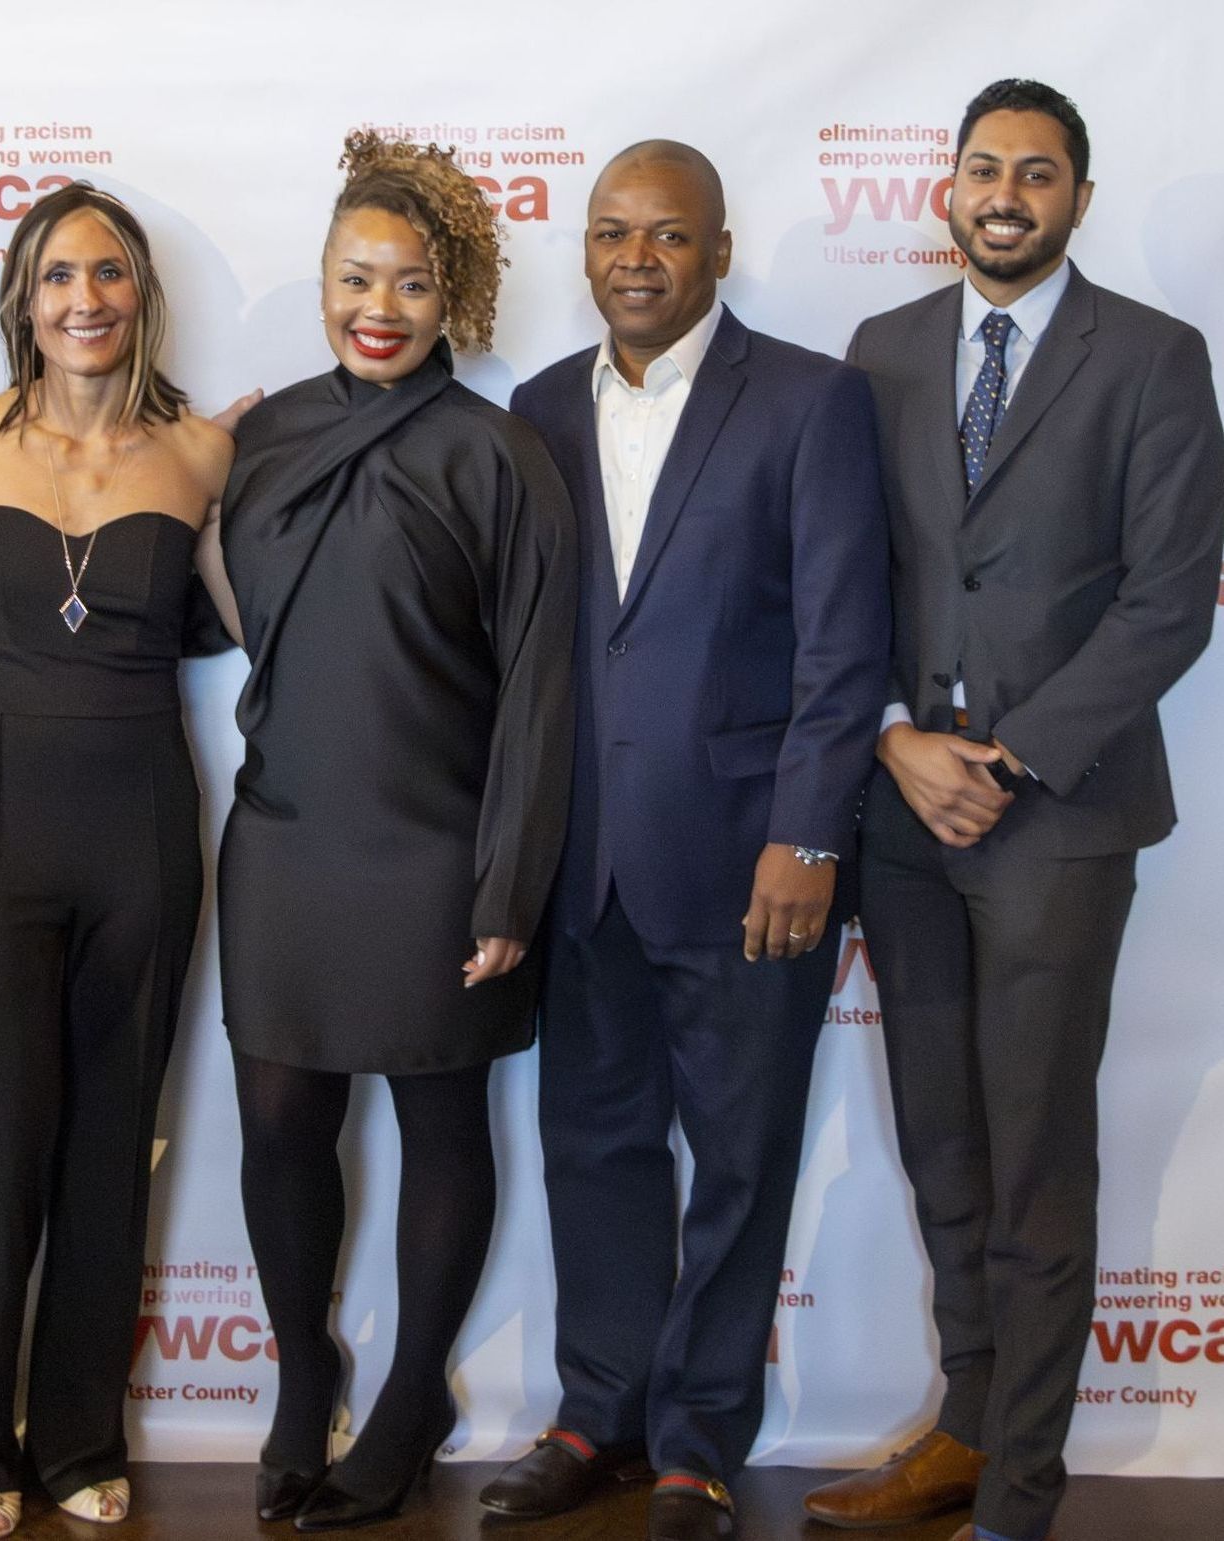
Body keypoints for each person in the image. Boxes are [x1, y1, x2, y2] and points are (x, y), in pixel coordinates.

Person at [803, 81, 1224, 1541]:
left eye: (1035, 174)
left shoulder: (1156, 358)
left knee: (1035, 1159)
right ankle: (965, 1433)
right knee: (942, 1146)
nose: (1003, 194)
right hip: (903, 810)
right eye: (982, 168)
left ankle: (1021, 1493)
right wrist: (896, 740)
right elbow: (841, 574)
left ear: (1077, 200)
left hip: (1059, 815)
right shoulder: (882, 349)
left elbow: (1170, 599)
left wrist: (1010, 757)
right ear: (947, 189)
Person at [477, 142, 889, 1541]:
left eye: (665, 234)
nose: (635, 259)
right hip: (584, 858)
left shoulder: (810, 399)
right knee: (593, 1147)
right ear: (584, 251)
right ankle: (599, 1411)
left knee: (738, 1160)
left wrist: (806, 835)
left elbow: (844, 642)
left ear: (719, 248)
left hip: (747, 862)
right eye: (611, 234)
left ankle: (698, 1439)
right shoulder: (538, 406)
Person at [216, 133, 576, 1532]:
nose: (380, 308)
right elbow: (220, 616)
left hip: (439, 848)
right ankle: (303, 1374)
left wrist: (509, 883)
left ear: (453, 300)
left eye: (413, 284)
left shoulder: (498, 452)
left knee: (440, 1120)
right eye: (356, 277)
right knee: (277, 1122)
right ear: (321, 280)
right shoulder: (260, 439)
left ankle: (416, 1391)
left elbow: (539, 685)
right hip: (283, 836)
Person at [0, 182, 241, 1538]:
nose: (83, 299)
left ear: (140, 293)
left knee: (113, 1139)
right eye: (57, 276)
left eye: (107, 273)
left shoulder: (204, 454)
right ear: (22, 298)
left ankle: (80, 1436)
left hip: (142, 823)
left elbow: (270, 623)